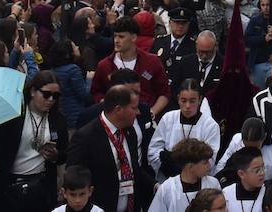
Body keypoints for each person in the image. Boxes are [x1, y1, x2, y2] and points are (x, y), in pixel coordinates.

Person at [0, 70, 68, 211]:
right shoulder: (13, 113)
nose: (51, 99)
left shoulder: (58, 119)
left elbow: (64, 152)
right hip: (8, 183)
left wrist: (56, 156)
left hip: (41, 185)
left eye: (55, 96)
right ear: (33, 91)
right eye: (46, 94)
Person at [66, 84, 152, 212]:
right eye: (134, 108)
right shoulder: (85, 138)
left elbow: (133, 168)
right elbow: (75, 180)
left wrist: (155, 185)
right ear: (118, 110)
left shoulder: (130, 132)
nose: (138, 112)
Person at [149, 80, 221, 175]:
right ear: (178, 99)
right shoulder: (168, 118)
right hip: (167, 176)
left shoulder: (210, 125)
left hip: (198, 178)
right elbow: (154, 149)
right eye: (183, 101)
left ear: (199, 99)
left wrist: (189, 170)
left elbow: (210, 158)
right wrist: (165, 164)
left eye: (192, 101)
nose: (187, 106)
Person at [148, 138, 221, 212]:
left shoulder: (213, 184)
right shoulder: (167, 189)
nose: (209, 165)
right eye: (205, 163)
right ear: (190, 166)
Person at [222, 146, 268, 212]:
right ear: (241, 174)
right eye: (257, 170)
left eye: (263, 168)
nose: (262, 173)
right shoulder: (227, 194)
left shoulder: (268, 192)